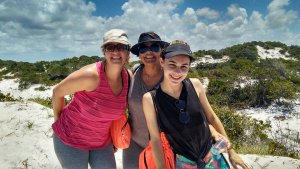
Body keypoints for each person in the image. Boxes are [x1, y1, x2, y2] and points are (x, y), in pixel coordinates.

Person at [142, 40, 249, 169]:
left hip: (212, 156)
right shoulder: (150, 99)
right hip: (183, 163)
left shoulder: (195, 85)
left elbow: (212, 118)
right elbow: (155, 140)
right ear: (162, 62)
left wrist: (231, 151)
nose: (177, 72)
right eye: (172, 64)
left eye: (184, 67)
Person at [51, 29, 131, 169]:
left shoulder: (128, 77)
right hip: (70, 138)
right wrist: (58, 122)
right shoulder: (90, 75)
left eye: (121, 47)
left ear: (128, 52)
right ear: (104, 51)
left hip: (101, 142)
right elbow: (57, 92)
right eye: (110, 47)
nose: (116, 52)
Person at [123, 31, 168, 169]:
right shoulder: (134, 72)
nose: (149, 52)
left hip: (165, 146)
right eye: (143, 48)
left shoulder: (171, 76)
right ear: (139, 54)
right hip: (134, 142)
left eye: (154, 47)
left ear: (161, 51)